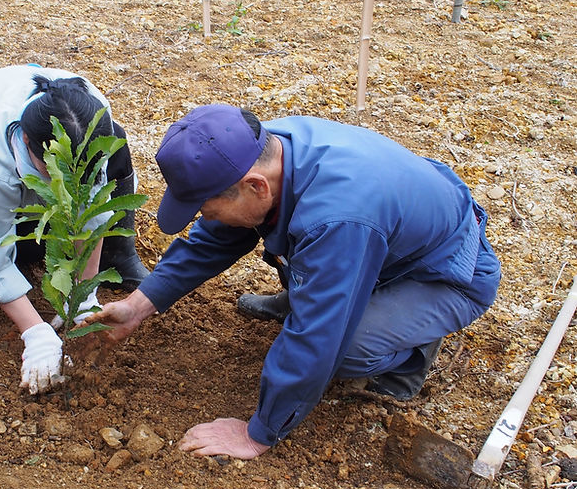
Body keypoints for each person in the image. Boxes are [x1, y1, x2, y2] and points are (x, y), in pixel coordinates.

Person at [88, 104, 501, 460]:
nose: (204, 218)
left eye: (205, 210)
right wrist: (139, 306)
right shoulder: (262, 150)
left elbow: (317, 338)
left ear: (255, 186)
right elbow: (214, 241)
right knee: (290, 245)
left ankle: (410, 351)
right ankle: (328, 290)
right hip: (383, 240)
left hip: (444, 273)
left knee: (344, 349)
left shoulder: (337, 217)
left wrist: (258, 432)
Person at [0, 65, 149, 396]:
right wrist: (34, 332)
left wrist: (84, 292)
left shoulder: (89, 119)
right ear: (25, 140)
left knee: (50, 234)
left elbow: (90, 215)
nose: (62, 187)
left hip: (7, 118)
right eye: (51, 173)